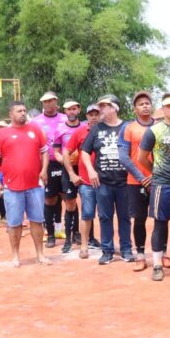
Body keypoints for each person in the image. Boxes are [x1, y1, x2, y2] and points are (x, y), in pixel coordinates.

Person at [0, 101, 50, 267]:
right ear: (11, 114)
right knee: (14, 223)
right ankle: (15, 256)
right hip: (12, 186)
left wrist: (44, 170)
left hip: (35, 185)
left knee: (37, 221)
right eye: (19, 111)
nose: (23, 113)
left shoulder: (35, 130)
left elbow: (45, 152)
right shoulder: (2, 133)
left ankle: (40, 255)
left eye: (24, 110)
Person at [81, 94, 134, 265]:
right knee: (105, 216)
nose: (100, 110)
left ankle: (126, 249)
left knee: (124, 216)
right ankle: (107, 251)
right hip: (102, 182)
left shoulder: (127, 127)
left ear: (114, 108)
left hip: (125, 181)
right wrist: (90, 170)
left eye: (104, 106)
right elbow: (84, 151)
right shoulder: (97, 129)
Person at [138, 93, 170, 281]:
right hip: (162, 185)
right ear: (163, 109)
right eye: (169, 106)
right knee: (160, 224)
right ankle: (157, 264)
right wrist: (156, 173)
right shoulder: (154, 131)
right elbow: (142, 158)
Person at [118, 91, 155, 270]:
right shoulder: (128, 128)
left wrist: (155, 176)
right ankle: (140, 254)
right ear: (135, 109)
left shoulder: (161, 127)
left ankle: (161, 253)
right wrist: (142, 178)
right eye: (141, 104)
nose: (145, 106)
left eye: (147, 103)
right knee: (139, 219)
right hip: (135, 181)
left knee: (160, 219)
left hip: (158, 180)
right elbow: (123, 157)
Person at [64, 104, 102, 258]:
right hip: (86, 182)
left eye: (96, 114)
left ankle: (107, 244)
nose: (94, 117)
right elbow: (66, 152)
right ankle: (84, 246)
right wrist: (72, 174)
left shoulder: (108, 131)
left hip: (106, 182)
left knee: (105, 215)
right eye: (90, 114)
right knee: (87, 214)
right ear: (86, 116)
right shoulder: (80, 132)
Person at [31, 91, 68, 246]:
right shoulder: (35, 122)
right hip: (47, 164)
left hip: (66, 163)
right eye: (45, 101)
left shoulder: (65, 118)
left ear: (56, 101)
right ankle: (51, 234)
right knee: (50, 198)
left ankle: (71, 232)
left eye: (50, 101)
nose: (47, 104)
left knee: (68, 197)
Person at [53, 100, 85, 253]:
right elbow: (57, 151)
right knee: (70, 203)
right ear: (65, 112)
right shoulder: (59, 128)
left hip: (84, 167)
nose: (71, 112)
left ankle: (87, 237)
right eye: (68, 109)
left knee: (88, 202)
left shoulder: (86, 127)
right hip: (68, 169)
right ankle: (68, 239)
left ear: (78, 110)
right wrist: (65, 161)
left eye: (74, 109)